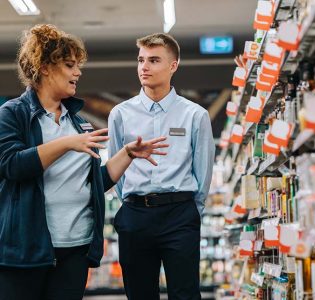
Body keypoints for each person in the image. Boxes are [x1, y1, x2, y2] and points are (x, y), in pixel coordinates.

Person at [0, 24, 168, 300]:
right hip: (26, 250)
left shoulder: (78, 123)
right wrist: (66, 144)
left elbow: (92, 183)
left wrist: (127, 153)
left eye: (78, 65)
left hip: (75, 249)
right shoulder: (13, 114)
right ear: (44, 67)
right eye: (69, 65)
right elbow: (11, 165)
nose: (78, 72)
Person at [108, 33, 215, 300]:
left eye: (154, 60)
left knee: (185, 294)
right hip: (135, 215)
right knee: (139, 294)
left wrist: (191, 211)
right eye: (141, 60)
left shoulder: (195, 115)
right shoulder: (120, 114)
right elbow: (115, 168)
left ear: (173, 65)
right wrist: (131, 202)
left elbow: (203, 173)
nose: (144, 67)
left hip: (180, 215)